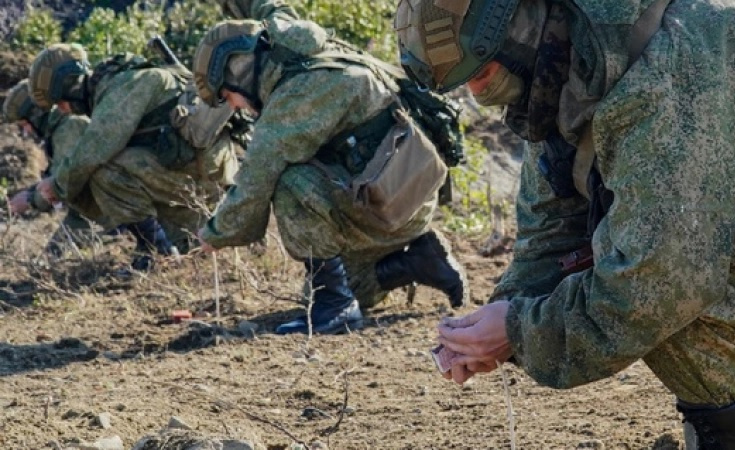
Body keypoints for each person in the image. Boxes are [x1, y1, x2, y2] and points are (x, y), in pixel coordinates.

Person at [396, 0, 735, 448]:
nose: (477, 93)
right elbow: (550, 231)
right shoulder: (563, 56)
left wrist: (519, 330)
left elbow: (665, 280)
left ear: (517, 28)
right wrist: (498, 324)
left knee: (656, 288)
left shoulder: (675, 45)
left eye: (481, 74)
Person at [192, 19, 468, 335]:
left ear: (239, 72)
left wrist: (215, 232)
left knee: (290, 185)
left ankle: (337, 308)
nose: (235, 106)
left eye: (228, 96)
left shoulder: (298, 93)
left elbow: (256, 179)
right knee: (341, 289)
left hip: (387, 207)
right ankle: (420, 260)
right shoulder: (326, 58)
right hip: (407, 201)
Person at [28, 43, 241, 271]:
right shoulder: (124, 81)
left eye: (59, 101)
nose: (62, 110)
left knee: (104, 173)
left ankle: (156, 251)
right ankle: (169, 247)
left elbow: (94, 149)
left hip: (199, 174)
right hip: (200, 174)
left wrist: (57, 185)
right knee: (191, 250)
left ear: (70, 86)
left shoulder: (125, 85)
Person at [3, 78, 107, 255]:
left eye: (24, 125)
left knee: (53, 258)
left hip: (105, 208)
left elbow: (67, 183)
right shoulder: (63, 124)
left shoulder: (69, 127)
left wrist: (30, 200)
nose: (26, 132)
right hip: (99, 204)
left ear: (36, 113)